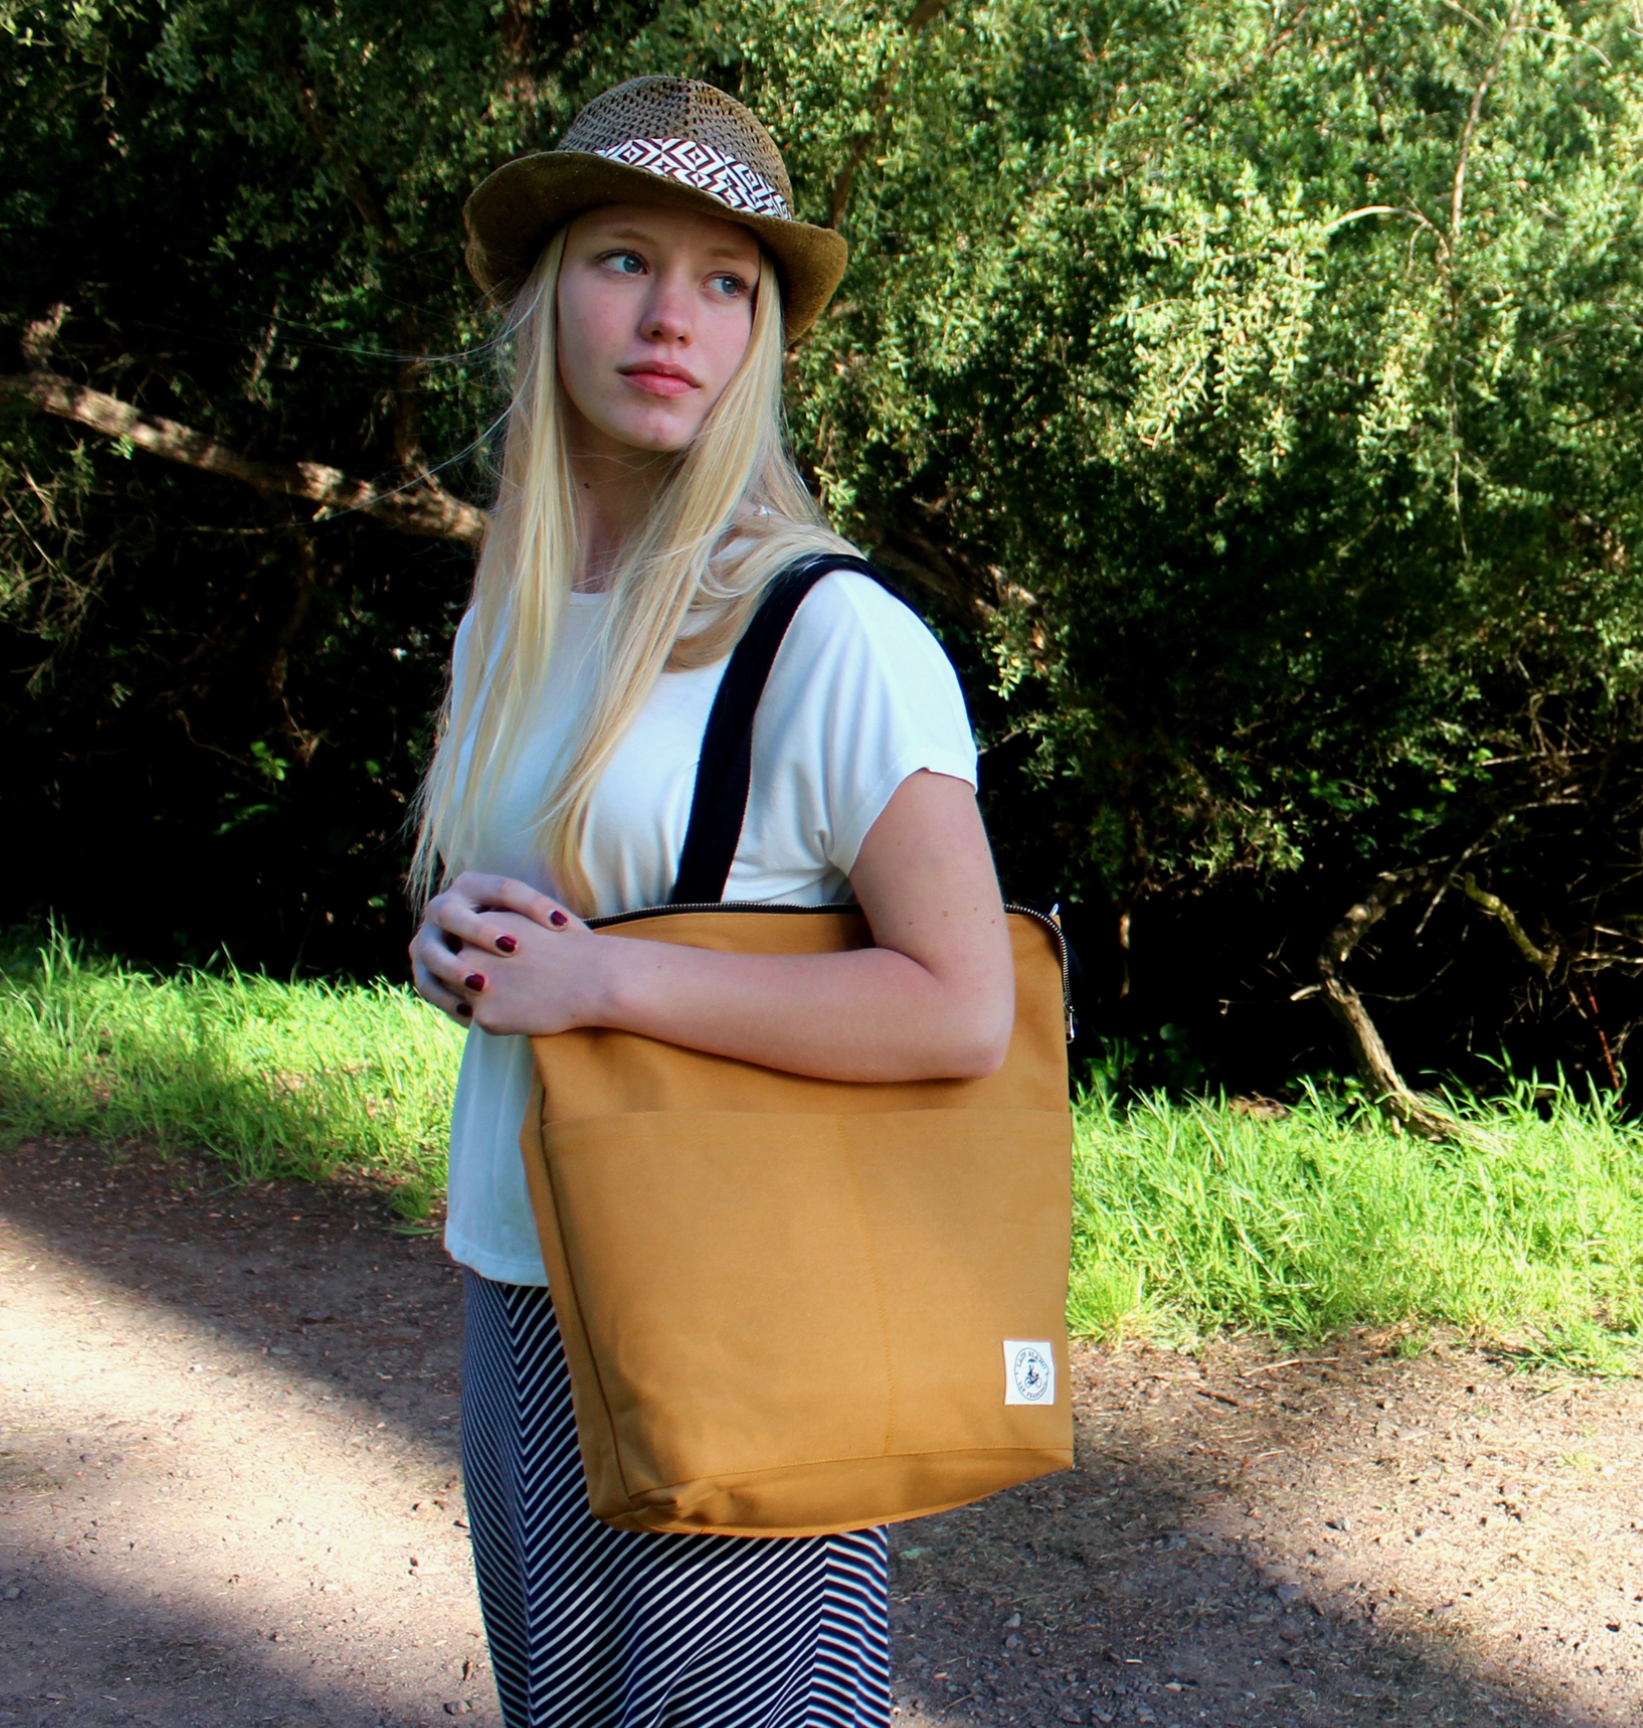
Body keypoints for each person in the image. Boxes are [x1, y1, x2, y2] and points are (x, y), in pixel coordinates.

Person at [408, 76, 1015, 1728]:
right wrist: (459, 946)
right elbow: (527, 915)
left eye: (726, 281)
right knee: (569, 1705)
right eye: (622, 260)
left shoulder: (830, 637)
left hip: (738, 1297)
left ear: (763, 338)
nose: (673, 315)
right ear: (547, 303)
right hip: (522, 1270)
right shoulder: (516, 617)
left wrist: (600, 987)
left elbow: (963, 1007)